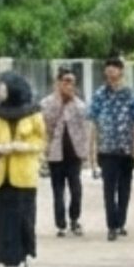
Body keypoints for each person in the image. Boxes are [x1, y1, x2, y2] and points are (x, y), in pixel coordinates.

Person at [0, 75, 43, 267]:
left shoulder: (33, 114)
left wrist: (19, 147)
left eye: (4, 88)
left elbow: (41, 142)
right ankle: (4, 259)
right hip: (1, 175)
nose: (1, 92)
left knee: (22, 219)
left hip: (23, 176)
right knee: (0, 220)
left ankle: (22, 257)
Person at [89, 59, 134, 241]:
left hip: (126, 148)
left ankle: (121, 222)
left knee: (124, 188)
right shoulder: (99, 95)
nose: (111, 74)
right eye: (108, 70)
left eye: (114, 70)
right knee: (108, 188)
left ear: (121, 71)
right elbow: (94, 123)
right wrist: (92, 149)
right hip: (106, 149)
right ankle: (111, 225)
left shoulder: (132, 95)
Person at [38, 69, 93, 240]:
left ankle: (74, 219)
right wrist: (60, 102)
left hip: (74, 154)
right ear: (58, 82)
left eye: (72, 82)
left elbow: (85, 129)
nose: (69, 85)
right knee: (58, 190)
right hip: (55, 153)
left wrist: (86, 153)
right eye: (66, 81)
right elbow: (46, 124)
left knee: (76, 189)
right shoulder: (47, 103)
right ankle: (60, 223)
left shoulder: (79, 105)